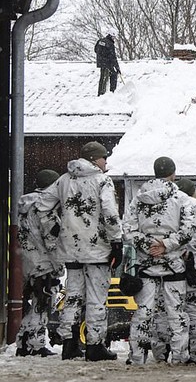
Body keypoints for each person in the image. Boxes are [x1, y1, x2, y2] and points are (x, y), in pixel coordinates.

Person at [38, 141, 123, 361]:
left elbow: (42, 205)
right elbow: (110, 213)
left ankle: (69, 343)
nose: (106, 162)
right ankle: (95, 345)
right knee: (96, 297)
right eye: (104, 157)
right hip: (97, 249)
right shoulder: (102, 181)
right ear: (95, 159)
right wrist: (116, 241)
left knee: (73, 295)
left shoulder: (64, 180)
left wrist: (56, 229)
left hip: (71, 249)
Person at [123, 157, 196, 365]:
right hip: (174, 266)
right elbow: (189, 229)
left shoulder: (138, 199)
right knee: (177, 313)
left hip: (146, 265)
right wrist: (166, 244)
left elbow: (128, 229)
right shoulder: (181, 198)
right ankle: (180, 356)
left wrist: (148, 245)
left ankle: (137, 357)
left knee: (143, 312)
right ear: (173, 173)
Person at [151, 178, 196, 364]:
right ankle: (194, 354)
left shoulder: (167, 214)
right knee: (195, 313)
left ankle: (162, 354)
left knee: (166, 312)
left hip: (171, 271)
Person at [15, 169, 62, 357]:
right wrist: (59, 264)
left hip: (25, 261)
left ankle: (23, 342)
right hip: (44, 262)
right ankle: (36, 344)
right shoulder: (45, 205)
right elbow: (51, 238)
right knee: (42, 304)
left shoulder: (23, 205)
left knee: (30, 303)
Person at [95, 29, 121, 96]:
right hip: (107, 63)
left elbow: (95, 50)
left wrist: (101, 56)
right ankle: (107, 93)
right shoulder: (110, 44)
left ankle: (103, 93)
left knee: (105, 77)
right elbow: (113, 57)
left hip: (101, 63)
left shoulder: (100, 41)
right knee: (109, 77)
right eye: (113, 37)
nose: (114, 38)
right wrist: (117, 68)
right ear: (110, 35)